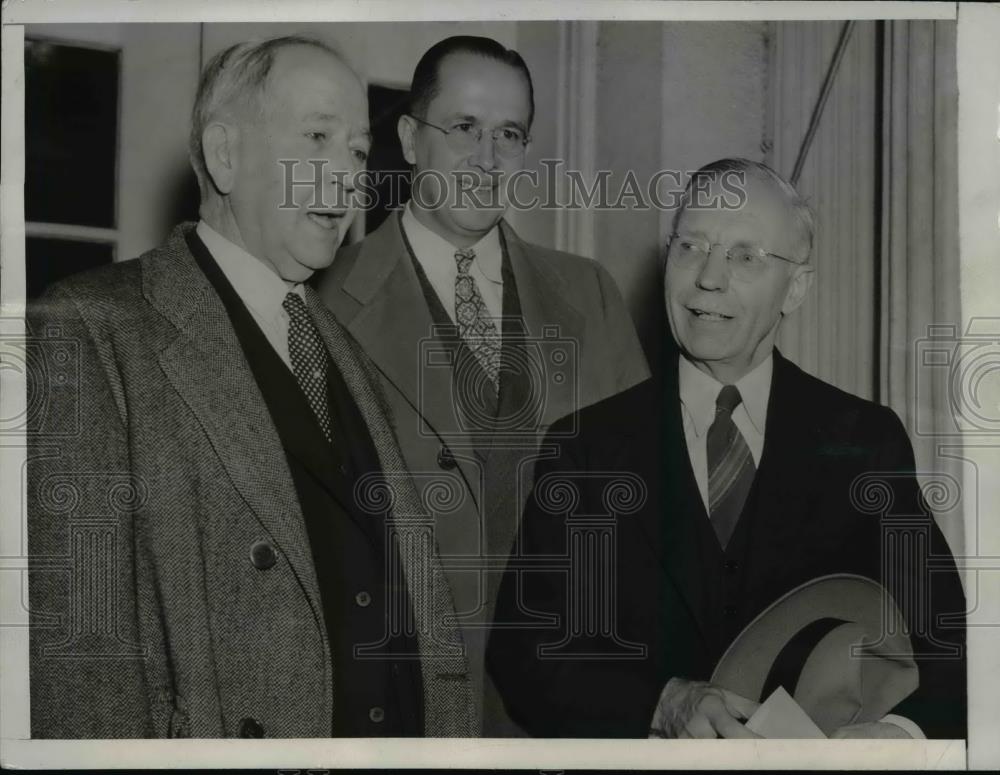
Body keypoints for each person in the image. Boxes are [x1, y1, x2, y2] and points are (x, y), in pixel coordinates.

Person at [28, 36, 474, 739]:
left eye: (357, 152)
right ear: (226, 154)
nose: (347, 178)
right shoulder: (91, 328)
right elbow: (85, 664)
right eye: (318, 138)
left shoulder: (347, 351)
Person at [486, 158, 967, 739]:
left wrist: (898, 731)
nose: (708, 278)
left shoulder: (864, 439)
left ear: (797, 287)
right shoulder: (585, 448)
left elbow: (943, 635)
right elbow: (527, 652)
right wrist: (659, 703)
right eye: (691, 246)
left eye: (745, 256)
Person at [315, 35, 649, 735]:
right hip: (405, 711)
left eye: (510, 135)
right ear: (410, 139)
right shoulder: (322, 303)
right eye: (464, 128)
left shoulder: (590, 295)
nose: (488, 159)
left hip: (578, 709)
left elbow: (648, 522)